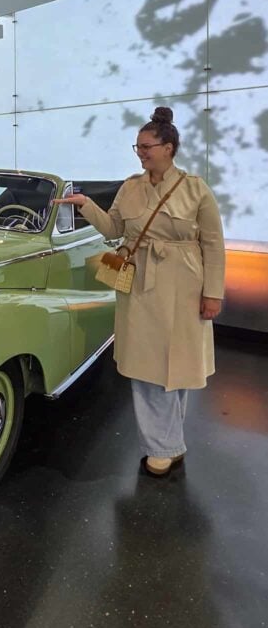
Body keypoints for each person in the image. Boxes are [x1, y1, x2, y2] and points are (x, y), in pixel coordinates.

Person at [55, 107, 225, 477]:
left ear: (170, 146)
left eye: (148, 146)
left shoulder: (196, 189)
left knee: (179, 366)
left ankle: (170, 442)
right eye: (138, 147)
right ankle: (162, 447)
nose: (142, 152)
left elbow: (213, 244)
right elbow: (114, 228)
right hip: (139, 284)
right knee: (147, 369)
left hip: (184, 284)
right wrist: (86, 206)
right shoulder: (130, 186)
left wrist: (213, 292)